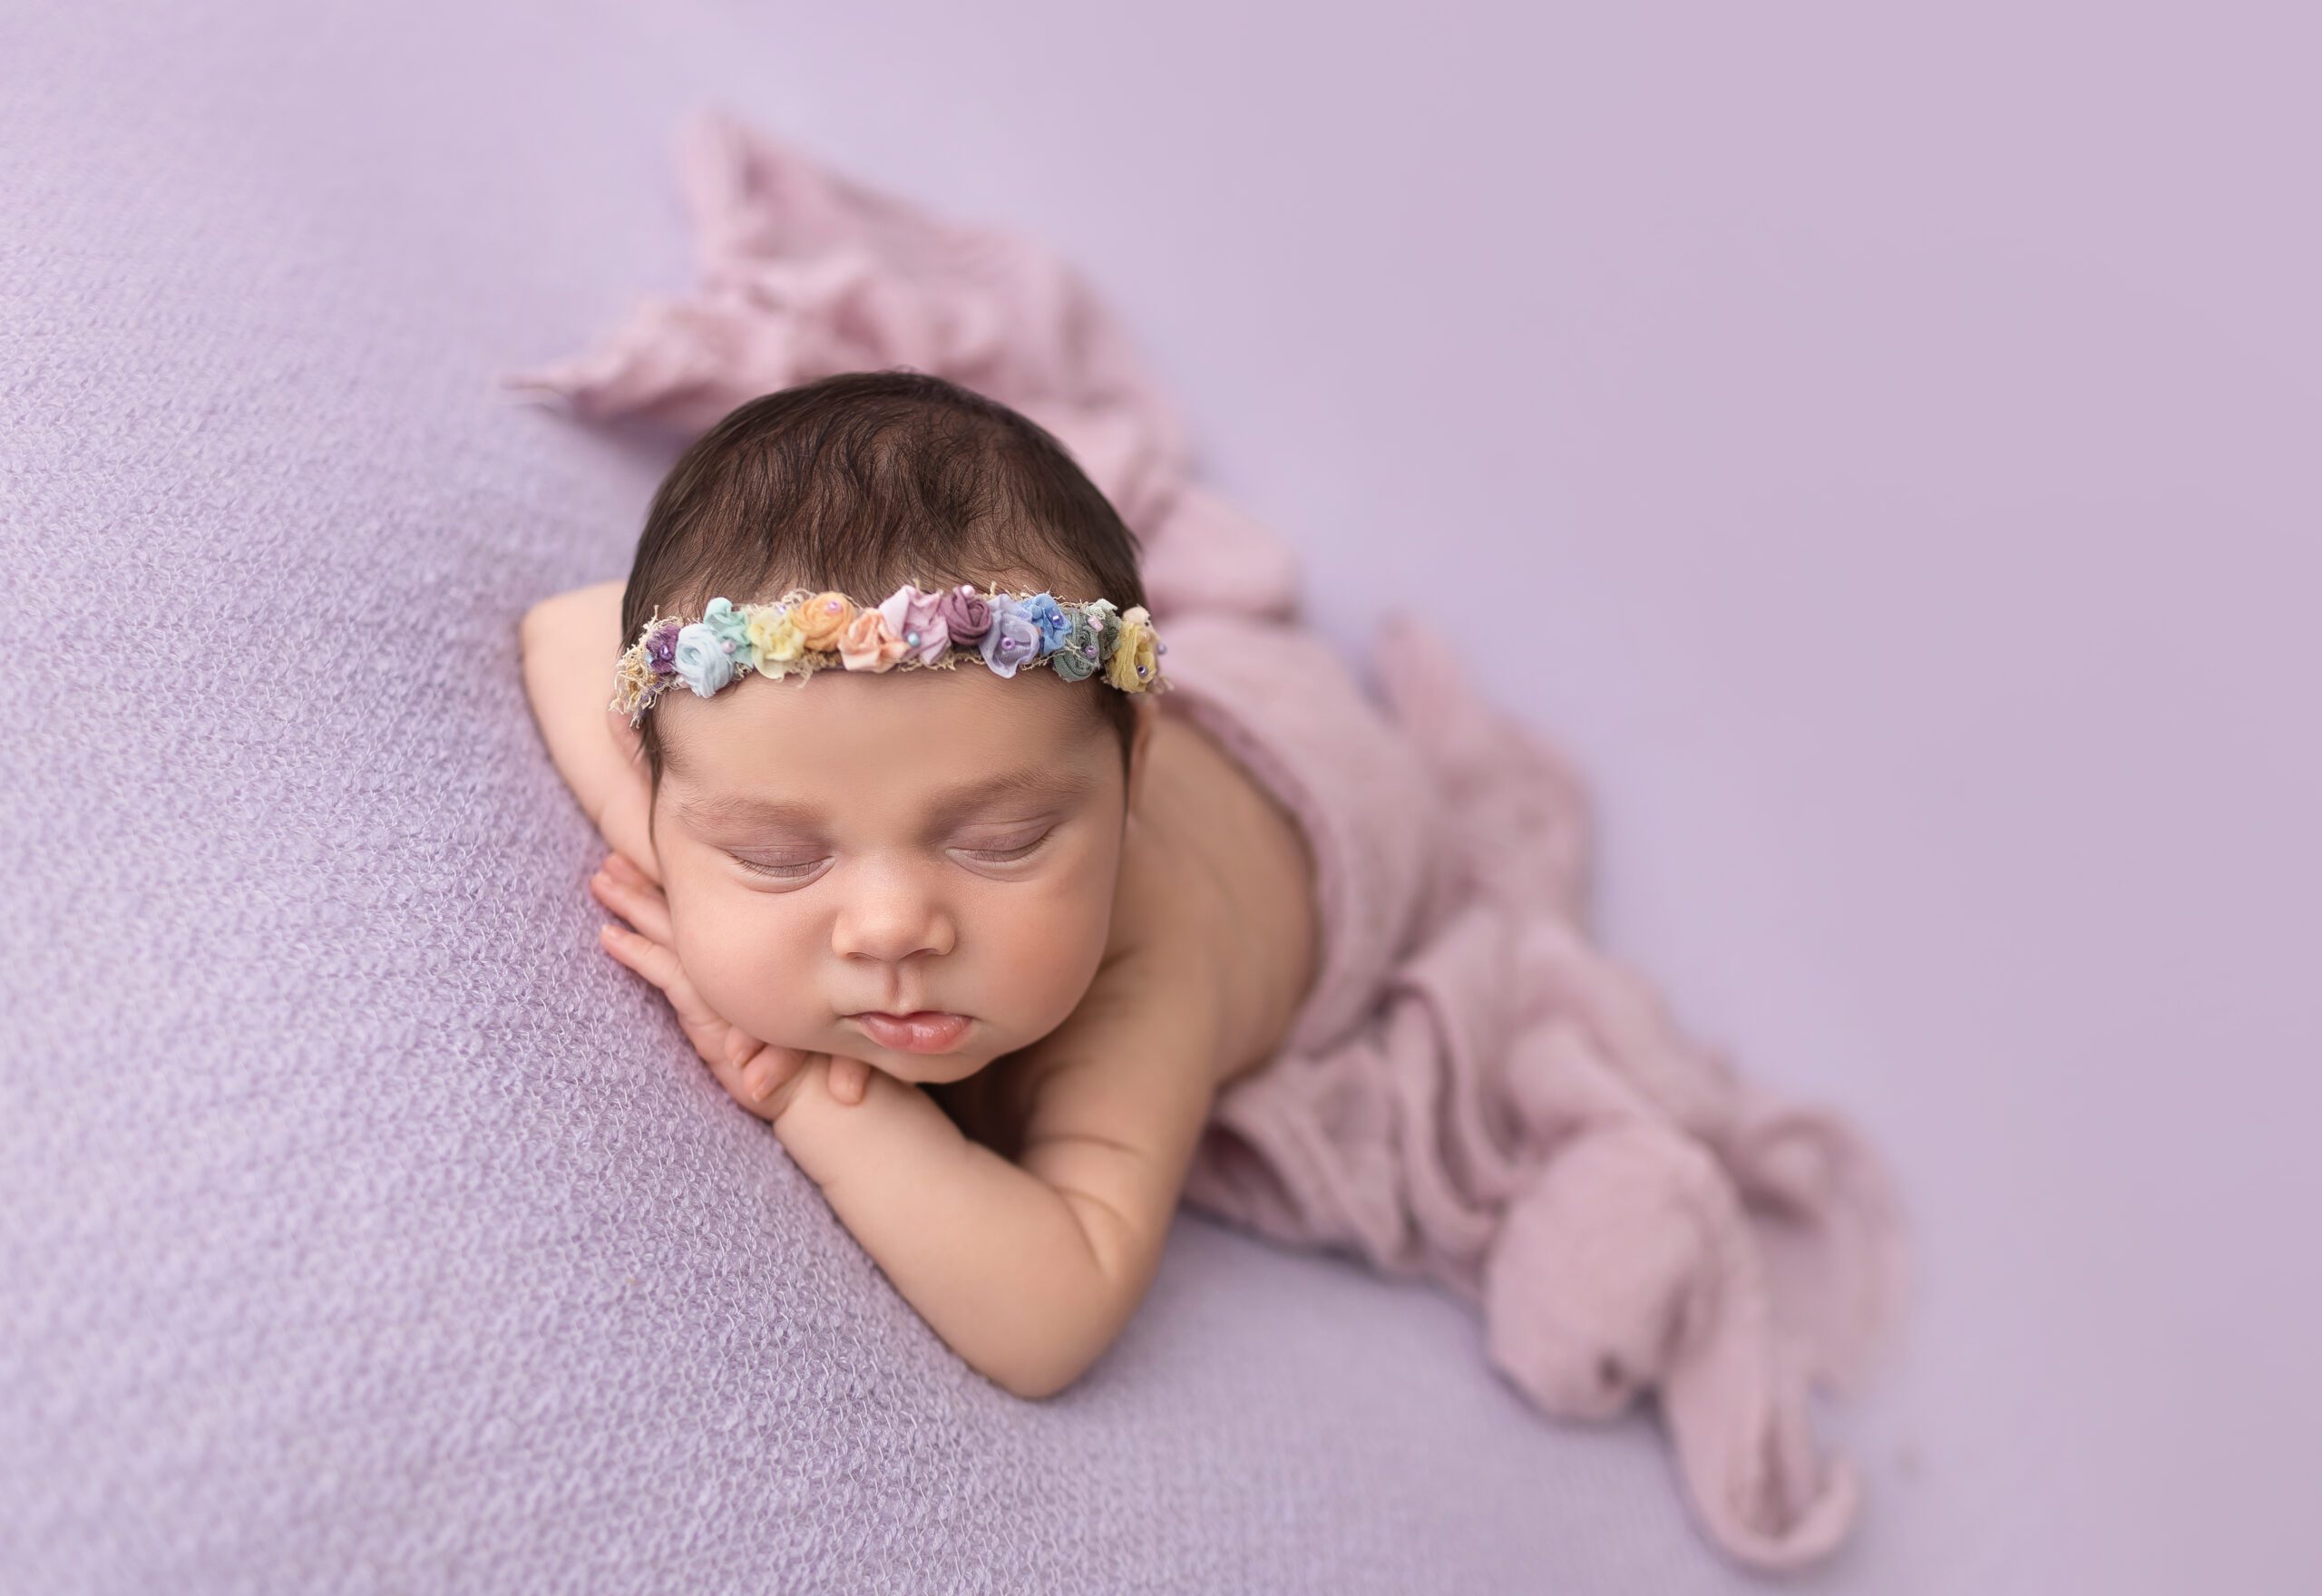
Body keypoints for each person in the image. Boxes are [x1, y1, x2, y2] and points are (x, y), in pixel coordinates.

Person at [518, 370, 1321, 1402]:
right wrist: (688, 858)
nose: (893, 927)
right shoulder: (706, 748)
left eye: (1003, 840)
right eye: (775, 853)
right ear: (650, 774)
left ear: (1130, 780)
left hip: (1324, 806)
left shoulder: (1146, 962)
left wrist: (810, 1090)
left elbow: (1054, 1313)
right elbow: (563, 631)